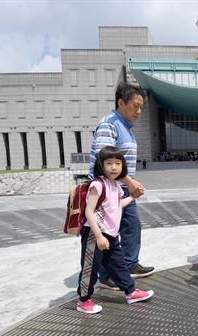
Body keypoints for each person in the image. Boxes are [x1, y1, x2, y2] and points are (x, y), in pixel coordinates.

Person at [89, 82, 155, 291]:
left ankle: (129, 264)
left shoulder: (126, 127)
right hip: (106, 190)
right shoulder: (110, 123)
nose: (139, 111)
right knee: (107, 232)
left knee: (131, 226)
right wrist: (129, 181)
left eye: (141, 107)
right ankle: (106, 275)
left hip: (122, 188)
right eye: (135, 106)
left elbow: (121, 162)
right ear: (120, 103)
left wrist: (130, 183)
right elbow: (104, 159)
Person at [76, 146, 154, 314]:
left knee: (118, 265)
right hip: (94, 233)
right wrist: (98, 236)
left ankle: (131, 292)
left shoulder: (116, 185)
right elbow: (89, 211)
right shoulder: (97, 184)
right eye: (109, 163)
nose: (114, 167)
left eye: (118, 163)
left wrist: (133, 197)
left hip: (110, 234)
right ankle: (83, 300)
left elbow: (117, 205)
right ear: (101, 165)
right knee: (91, 267)